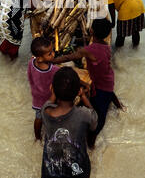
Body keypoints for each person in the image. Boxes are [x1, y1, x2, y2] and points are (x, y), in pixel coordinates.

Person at [53, 19, 125, 147]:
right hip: (108, 78)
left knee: (99, 117)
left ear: (91, 30)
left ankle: (91, 143)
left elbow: (69, 57)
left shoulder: (88, 50)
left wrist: (53, 60)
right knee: (109, 94)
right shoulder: (105, 46)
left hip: (101, 85)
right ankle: (119, 107)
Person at [40, 67, 98, 178]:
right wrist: (84, 96)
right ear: (77, 91)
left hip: (51, 174)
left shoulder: (45, 112)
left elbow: (48, 103)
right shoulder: (83, 115)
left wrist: (53, 93)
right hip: (77, 173)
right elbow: (94, 120)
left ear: (52, 89)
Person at [27, 37, 60, 140]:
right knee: (53, 116)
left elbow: (29, 76)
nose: (53, 54)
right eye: (50, 53)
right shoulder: (53, 70)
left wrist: (33, 87)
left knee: (38, 117)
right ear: (40, 58)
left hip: (36, 97)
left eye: (52, 51)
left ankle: (37, 137)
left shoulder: (31, 62)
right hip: (48, 98)